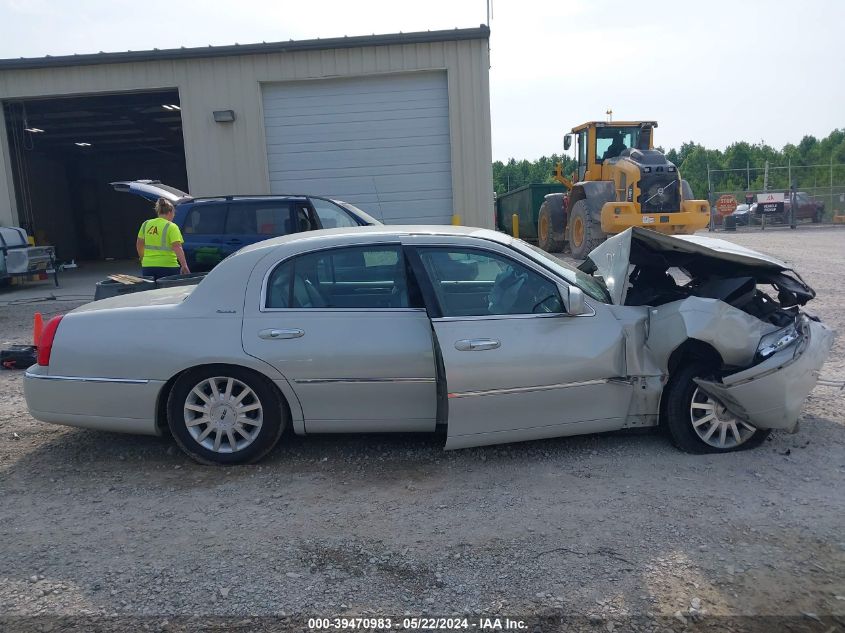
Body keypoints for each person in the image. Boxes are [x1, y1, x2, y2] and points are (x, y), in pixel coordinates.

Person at [136, 197, 190, 280]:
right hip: (168, 266)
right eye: (174, 214)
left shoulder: (146, 224)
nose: (173, 216)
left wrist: (143, 259)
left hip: (148, 266)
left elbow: (139, 244)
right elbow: (177, 247)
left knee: (151, 288)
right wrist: (184, 265)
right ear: (170, 212)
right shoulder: (172, 226)